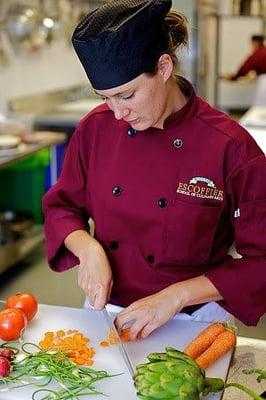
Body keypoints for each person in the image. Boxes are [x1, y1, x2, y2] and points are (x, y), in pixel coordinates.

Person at [42, 0, 266, 339]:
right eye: (105, 98)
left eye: (127, 95)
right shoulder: (94, 129)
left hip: (194, 321)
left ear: (163, 68)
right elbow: (62, 207)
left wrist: (175, 297)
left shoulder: (229, 146)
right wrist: (87, 248)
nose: (117, 113)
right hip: (106, 314)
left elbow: (261, 260)